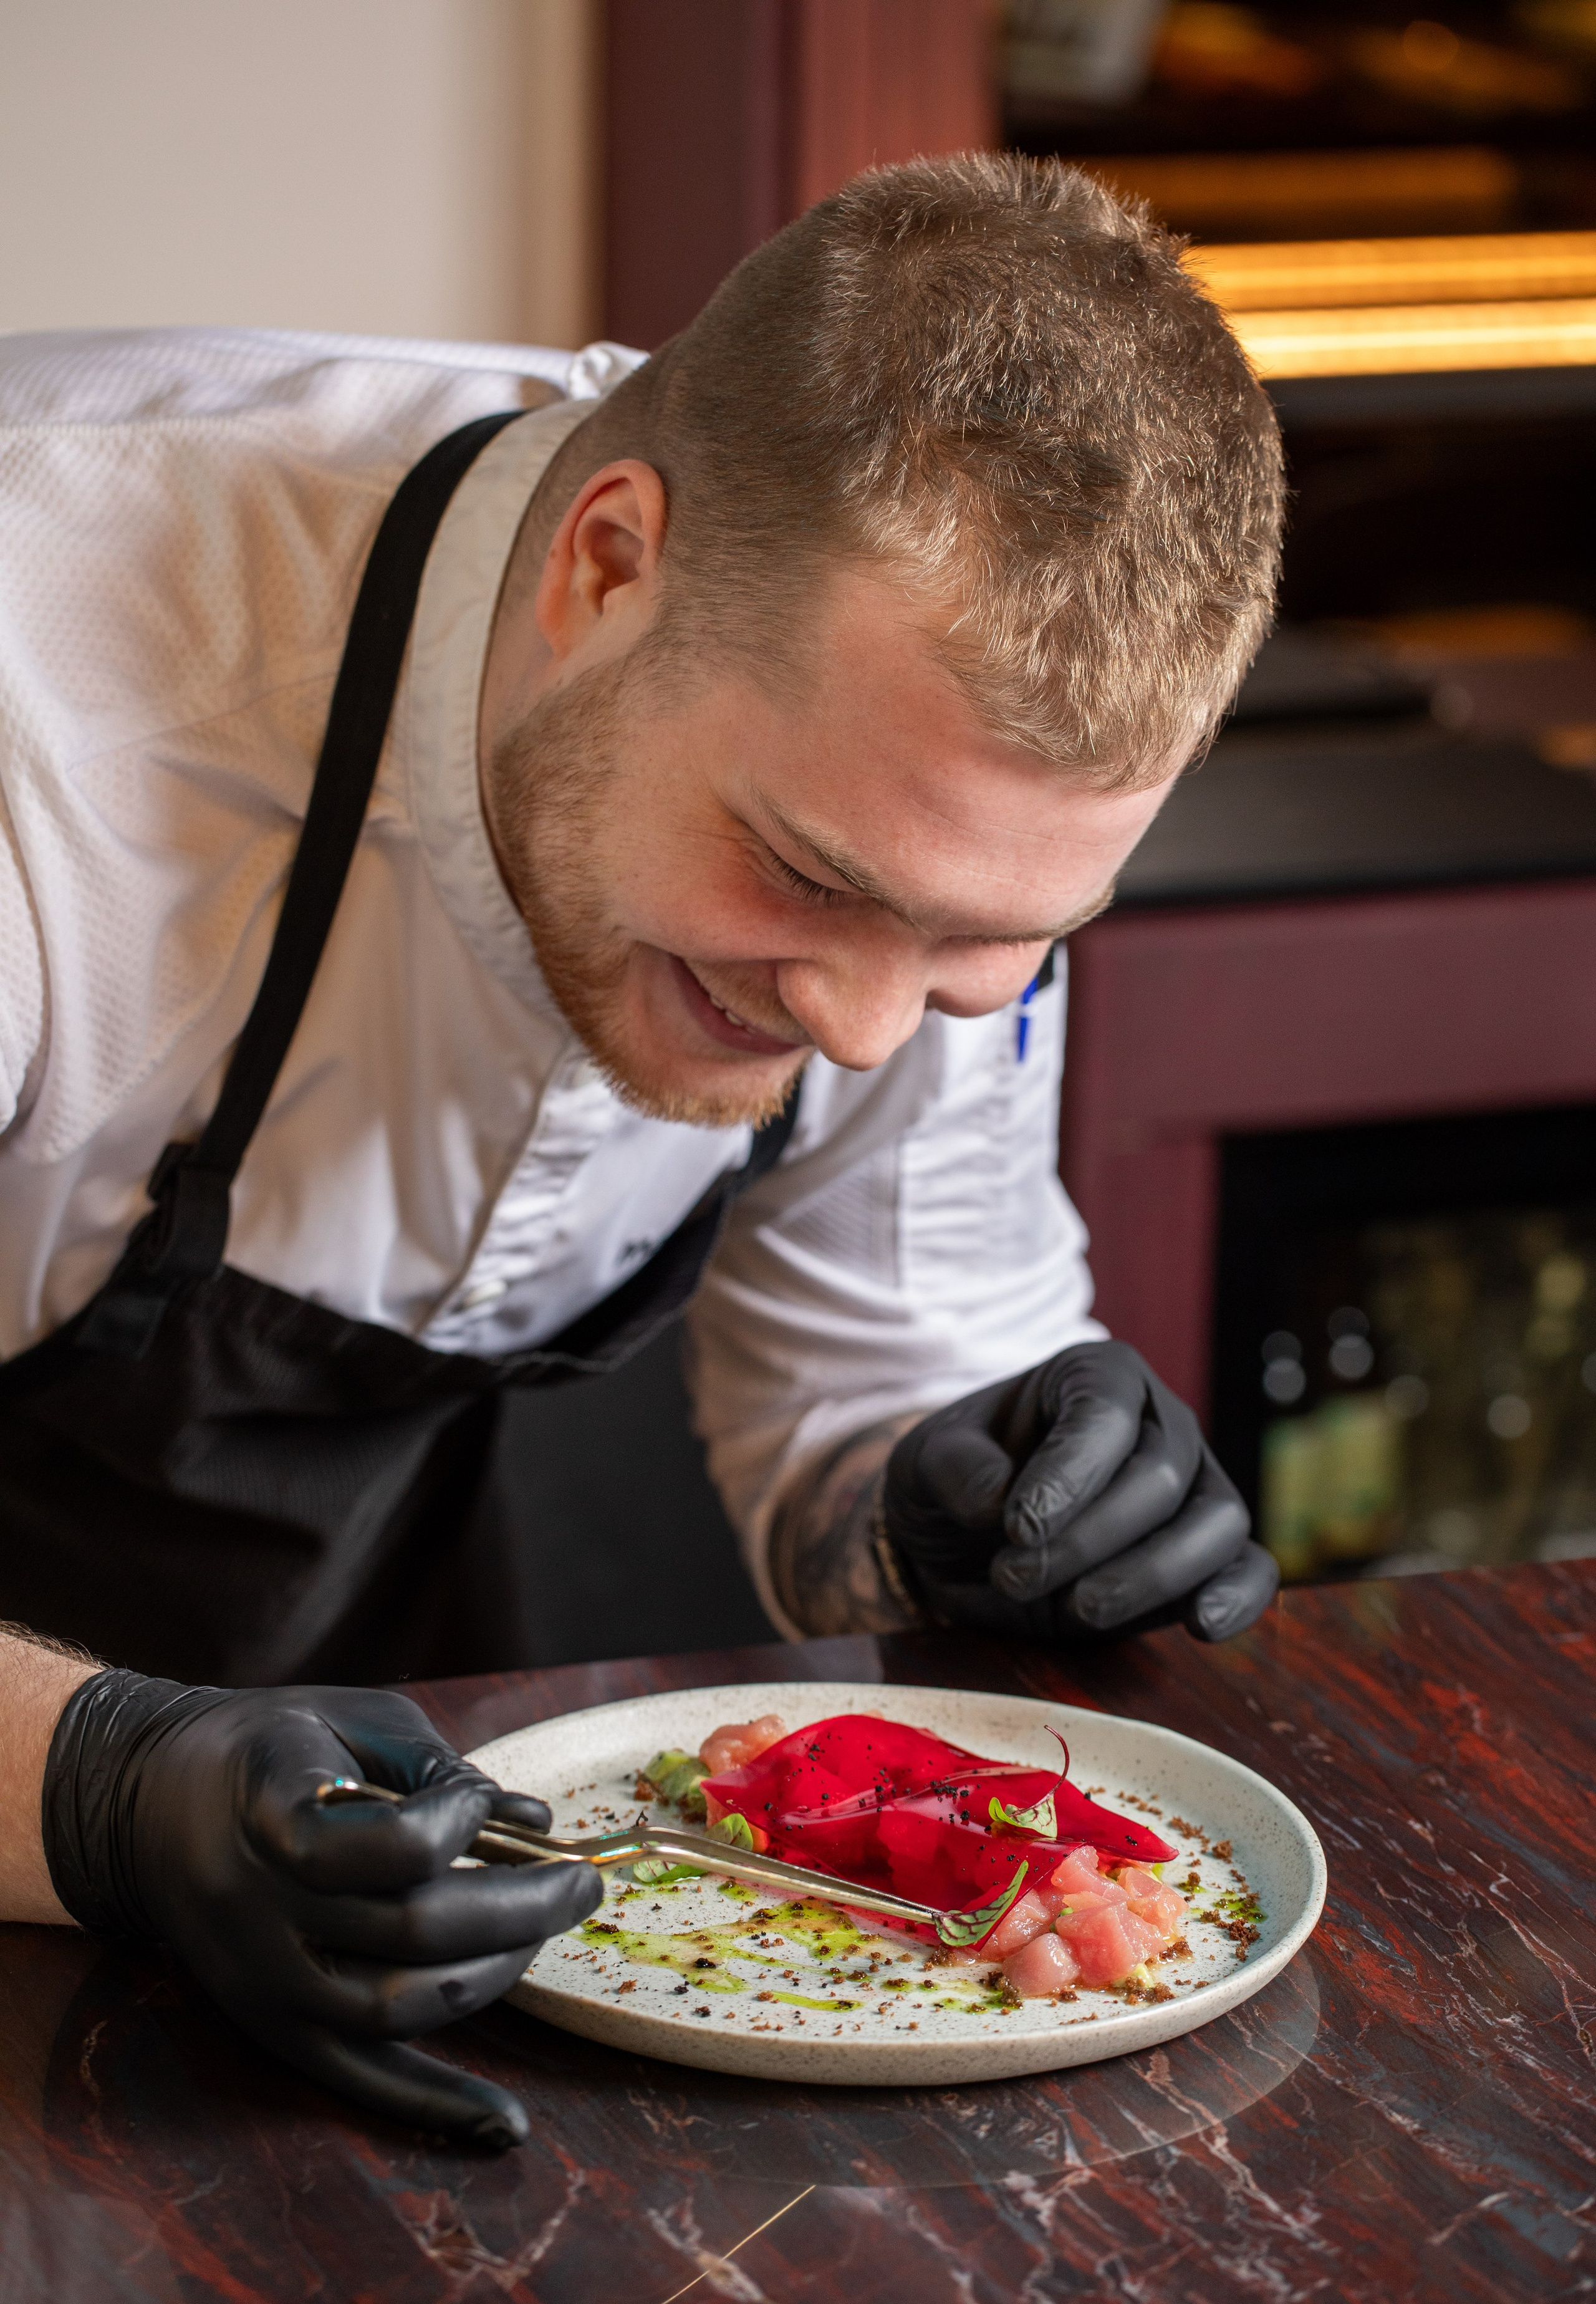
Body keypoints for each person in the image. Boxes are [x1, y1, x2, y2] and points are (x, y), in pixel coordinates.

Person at [0, 157, 1285, 2144]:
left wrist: (955, 1496)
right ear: (606, 565)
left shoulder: (895, 805)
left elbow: (887, 1348)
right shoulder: (43, 744)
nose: (868, 1031)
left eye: (992, 942)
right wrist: (89, 1792)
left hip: (333, 1851)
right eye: (808, 879)